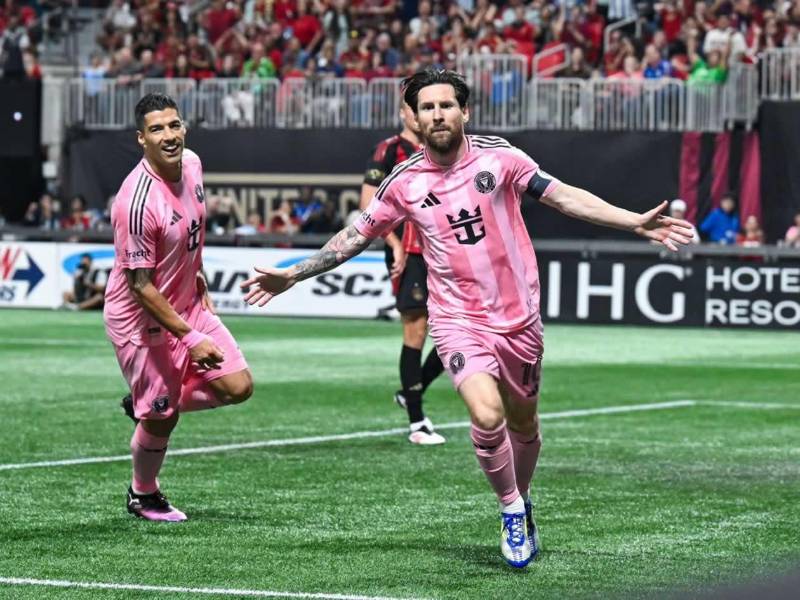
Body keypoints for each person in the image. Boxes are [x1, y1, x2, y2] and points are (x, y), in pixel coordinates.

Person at [241, 69, 694, 568]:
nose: (437, 114)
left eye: (446, 105)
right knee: (486, 414)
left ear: (465, 111)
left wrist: (631, 221)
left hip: (519, 319)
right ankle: (511, 512)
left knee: (524, 422)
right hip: (458, 319)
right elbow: (355, 236)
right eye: (427, 107)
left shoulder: (501, 159)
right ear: (414, 117)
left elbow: (564, 195)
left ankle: (523, 497)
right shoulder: (405, 183)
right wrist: (295, 273)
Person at [104, 93, 254, 522]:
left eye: (174, 125)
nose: (168, 136)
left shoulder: (192, 164)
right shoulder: (134, 203)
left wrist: (196, 270)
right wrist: (190, 338)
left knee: (238, 387)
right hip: (140, 319)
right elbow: (139, 286)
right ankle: (143, 493)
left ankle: (149, 403)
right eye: (157, 129)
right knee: (163, 418)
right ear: (141, 138)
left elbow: (192, 227)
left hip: (187, 302)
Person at [360, 98, 446, 445]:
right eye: (417, 107)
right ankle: (417, 422)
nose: (423, 113)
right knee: (416, 329)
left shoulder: (441, 147)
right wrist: (393, 243)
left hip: (444, 249)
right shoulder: (389, 150)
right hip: (409, 250)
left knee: (461, 331)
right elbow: (369, 204)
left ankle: (412, 390)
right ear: (404, 113)